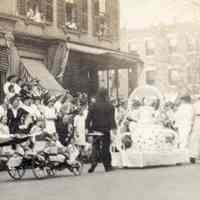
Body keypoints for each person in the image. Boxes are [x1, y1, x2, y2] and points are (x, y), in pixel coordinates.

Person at [86, 88, 117, 173]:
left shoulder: (93, 105)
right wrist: (114, 128)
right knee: (105, 147)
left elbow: (88, 118)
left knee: (95, 146)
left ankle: (93, 162)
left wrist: (87, 128)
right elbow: (111, 119)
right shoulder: (110, 106)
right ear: (106, 95)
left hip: (95, 128)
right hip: (105, 129)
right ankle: (107, 166)